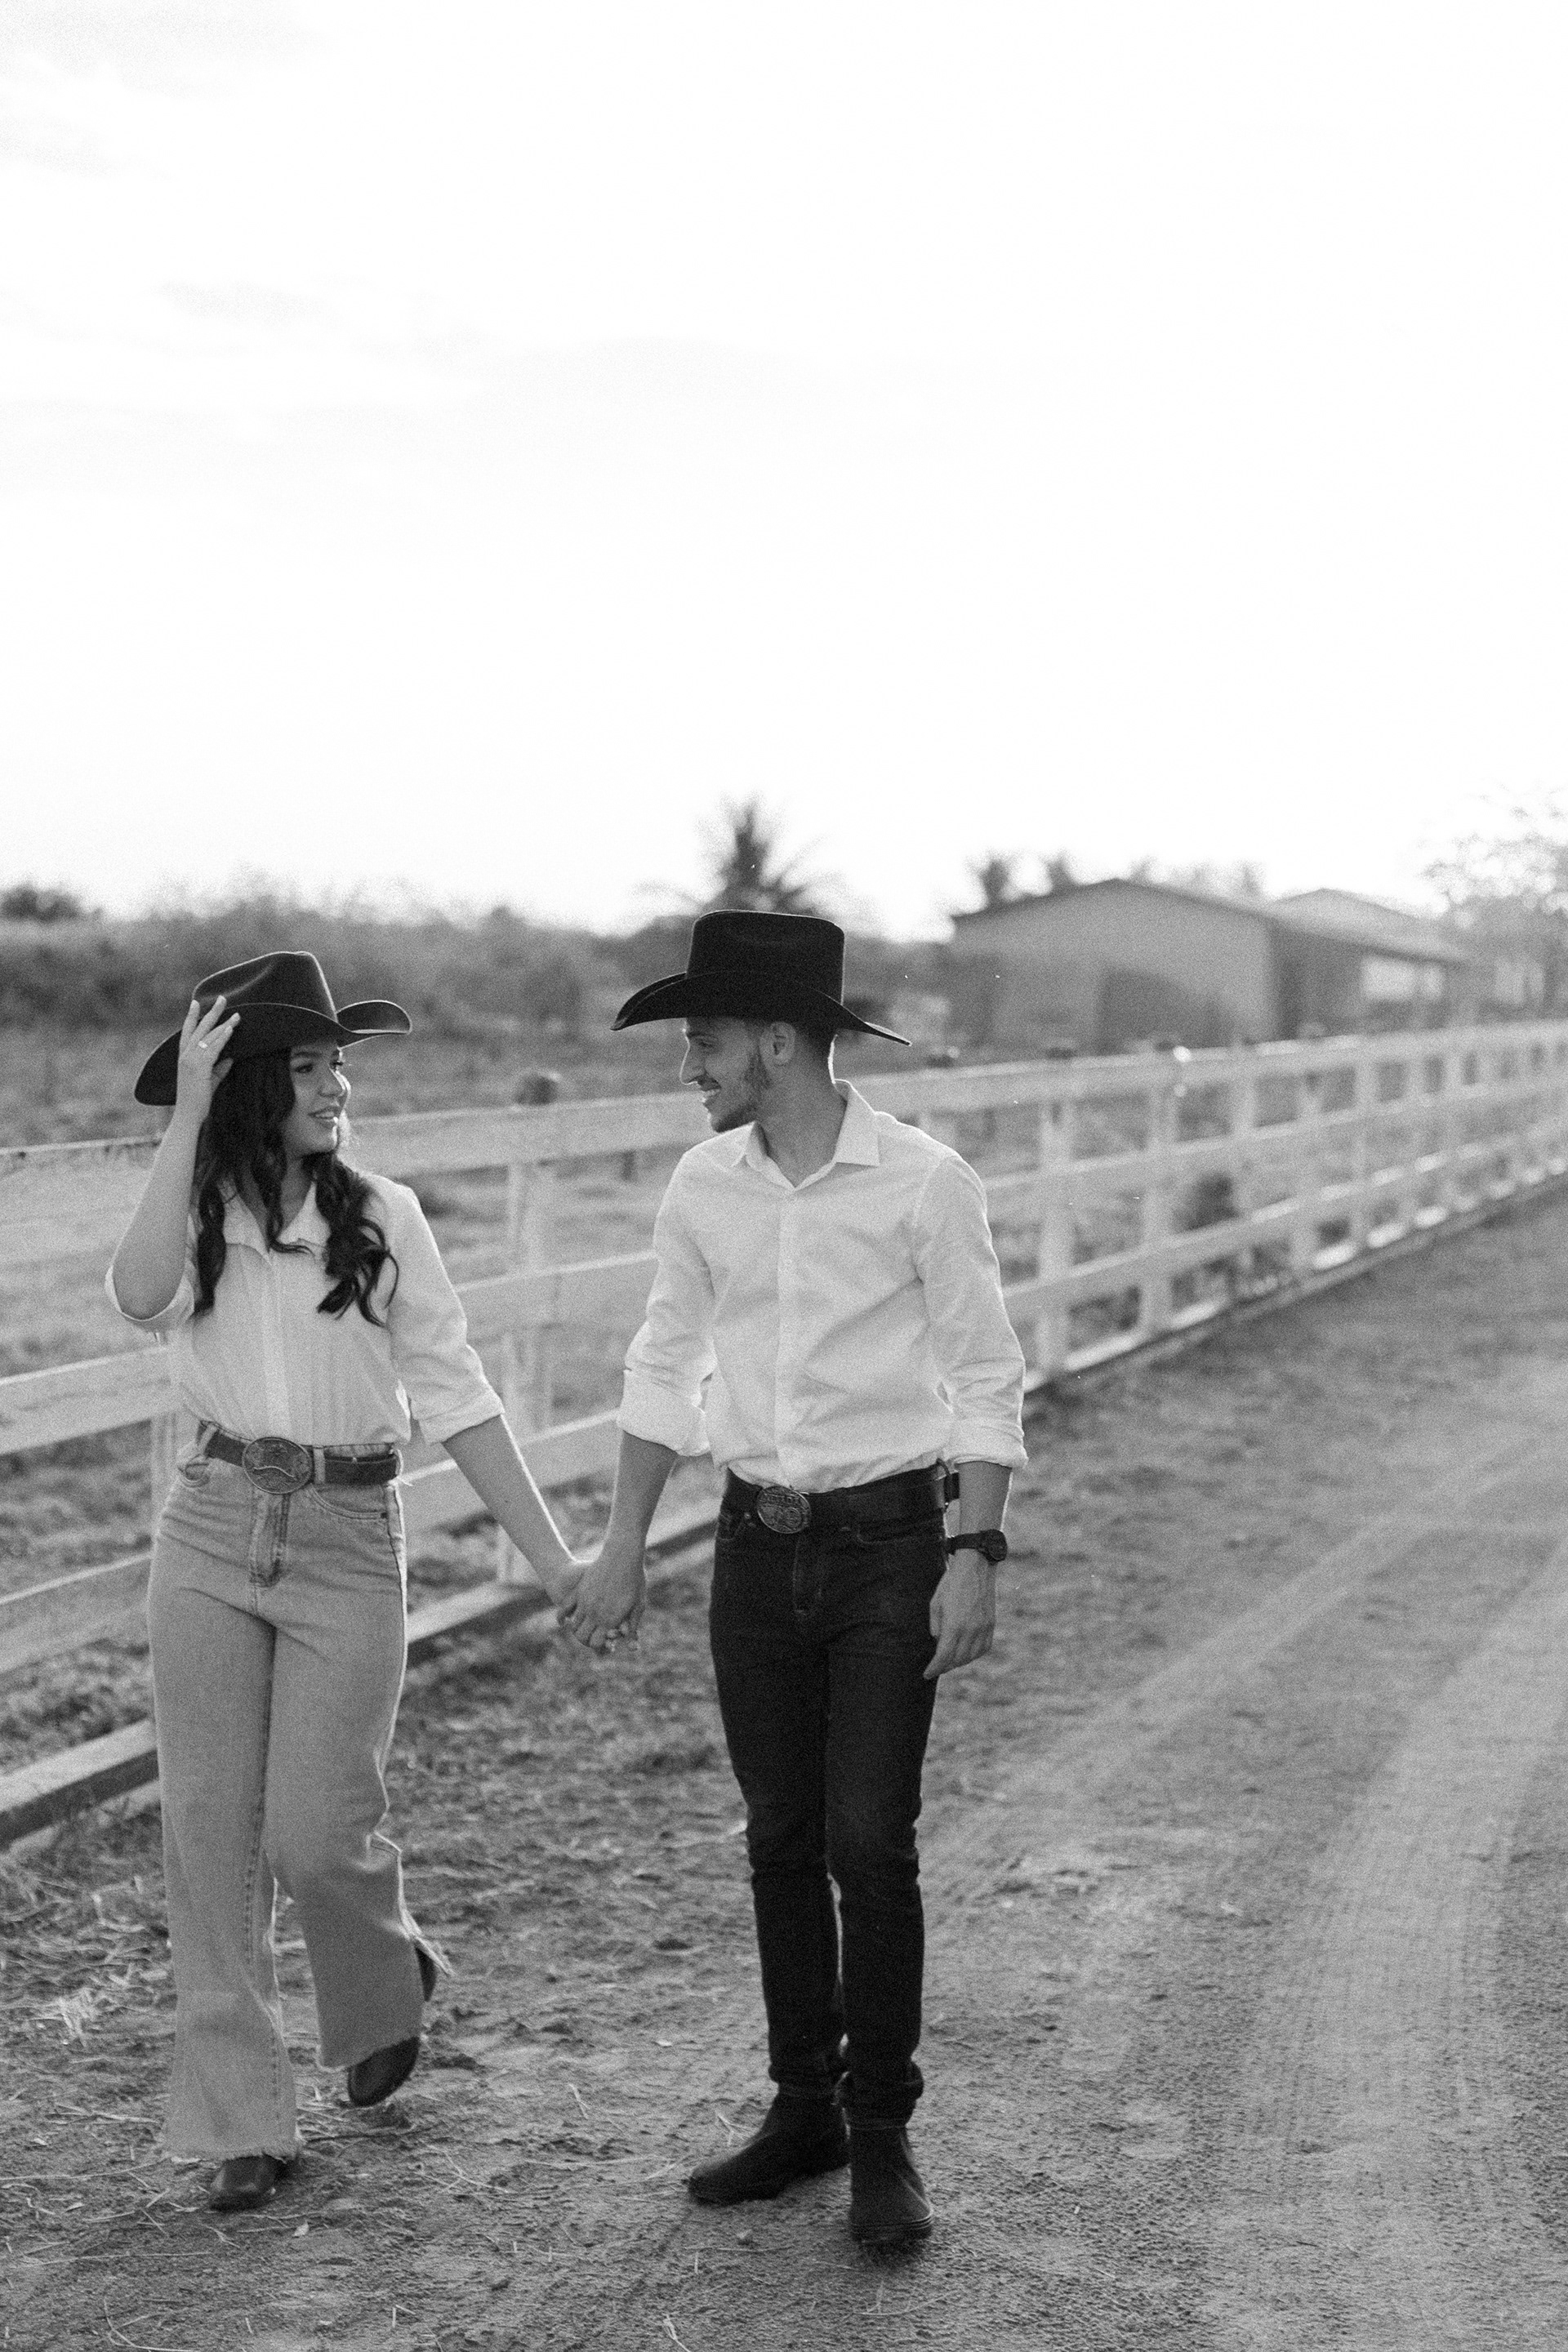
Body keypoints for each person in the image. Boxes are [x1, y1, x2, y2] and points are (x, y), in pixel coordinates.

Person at [566, 911, 1027, 2247]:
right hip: (754, 1551)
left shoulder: (926, 1183)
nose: (690, 1067)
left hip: (891, 1547)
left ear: (778, 1044)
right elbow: (664, 1363)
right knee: (778, 1836)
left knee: (867, 1840)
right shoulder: (702, 1186)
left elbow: (986, 1374)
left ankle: (883, 2134)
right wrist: (623, 1544)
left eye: (704, 1042)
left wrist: (974, 1554)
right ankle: (803, 2109)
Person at [109, 952, 582, 2215]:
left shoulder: (384, 1217)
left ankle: (381, 1980)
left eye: (339, 1065)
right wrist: (188, 1119)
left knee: (318, 1832)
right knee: (211, 1840)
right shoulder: (196, 1211)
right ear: (252, 1085)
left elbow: (461, 1397)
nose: (338, 1088)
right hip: (210, 1529)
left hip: (347, 1535)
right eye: (311, 1067)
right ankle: (241, 2124)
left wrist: (552, 1560)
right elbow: (139, 1294)